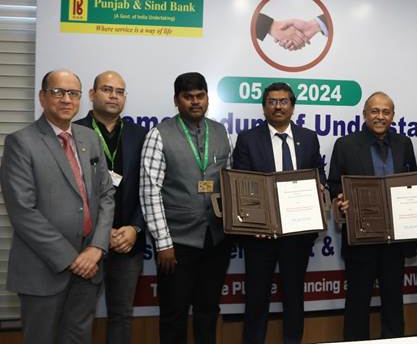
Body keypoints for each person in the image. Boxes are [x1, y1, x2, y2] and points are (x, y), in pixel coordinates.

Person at [0, 70, 115, 344]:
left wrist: (96, 248)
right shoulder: (20, 142)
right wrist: (73, 259)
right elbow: (23, 211)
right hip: (43, 270)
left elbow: (106, 195)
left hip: (89, 268)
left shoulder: (89, 138)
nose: (66, 99)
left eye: (73, 93)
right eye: (58, 92)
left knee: (78, 338)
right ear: (42, 97)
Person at [140, 72, 231, 344]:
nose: (195, 102)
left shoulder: (221, 132)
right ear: (176, 100)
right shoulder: (159, 135)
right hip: (177, 244)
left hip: (216, 240)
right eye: (188, 97)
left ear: (207, 98)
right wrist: (163, 243)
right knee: (174, 314)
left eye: (200, 96)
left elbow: (230, 183)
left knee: (208, 311)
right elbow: (150, 191)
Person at [232, 82, 326, 344]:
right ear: (264, 107)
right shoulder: (248, 139)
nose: (278, 106)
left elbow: (318, 173)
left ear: (293, 107)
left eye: (284, 101)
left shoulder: (309, 138)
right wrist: (255, 225)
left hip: (297, 235)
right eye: (272, 101)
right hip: (260, 237)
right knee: (256, 299)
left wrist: (320, 186)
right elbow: (242, 185)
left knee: (294, 298)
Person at [327, 91, 417, 341]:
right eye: (375, 111)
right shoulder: (345, 145)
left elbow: (413, 182)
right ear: (365, 114)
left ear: (393, 116)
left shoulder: (404, 144)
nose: (380, 116)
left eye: (386, 112)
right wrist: (340, 199)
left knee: (393, 302)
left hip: (395, 240)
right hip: (361, 239)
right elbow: (334, 184)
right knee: (357, 303)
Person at [74, 71, 147, 344]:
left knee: (122, 316)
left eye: (119, 91)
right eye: (107, 89)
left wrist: (136, 228)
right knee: (79, 316)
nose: (114, 96)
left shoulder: (141, 135)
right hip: (86, 243)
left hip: (127, 242)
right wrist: (99, 235)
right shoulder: (74, 132)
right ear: (92, 95)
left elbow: (151, 188)